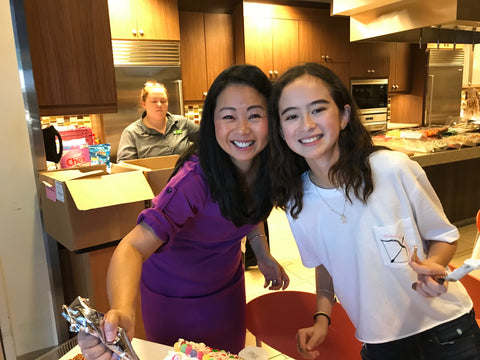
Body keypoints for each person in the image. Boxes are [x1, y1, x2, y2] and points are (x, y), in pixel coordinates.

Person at [268, 62, 480, 360]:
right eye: (291, 116)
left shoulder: (393, 169)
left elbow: (444, 236)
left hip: (446, 329)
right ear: (280, 130)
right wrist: (322, 318)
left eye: (317, 109)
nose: (306, 124)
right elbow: (325, 263)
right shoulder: (297, 201)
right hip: (380, 341)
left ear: (343, 116)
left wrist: (435, 265)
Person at [77, 64, 289, 359]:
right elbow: (132, 247)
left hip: (227, 288)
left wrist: (262, 253)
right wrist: (124, 309)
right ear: (212, 122)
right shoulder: (194, 181)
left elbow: (247, 212)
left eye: (255, 115)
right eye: (228, 116)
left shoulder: (267, 168)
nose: (242, 129)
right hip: (175, 298)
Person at [116, 80, 199, 161]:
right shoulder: (131, 133)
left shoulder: (182, 123)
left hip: (185, 174)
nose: (159, 105)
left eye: (163, 101)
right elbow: (125, 167)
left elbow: (207, 139)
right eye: (154, 101)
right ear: (144, 104)